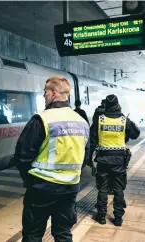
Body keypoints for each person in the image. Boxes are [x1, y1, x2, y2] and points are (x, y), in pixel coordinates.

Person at [13, 76, 90, 242]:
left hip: (41, 187)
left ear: (54, 94)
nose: (44, 96)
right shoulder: (82, 122)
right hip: (69, 188)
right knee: (63, 234)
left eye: (45, 92)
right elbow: (86, 157)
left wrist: (29, 180)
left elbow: (22, 155)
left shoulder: (41, 119)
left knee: (33, 234)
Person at [89, 94, 140, 226]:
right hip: (118, 160)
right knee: (118, 190)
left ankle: (101, 216)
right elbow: (135, 134)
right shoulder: (124, 120)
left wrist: (90, 157)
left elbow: (92, 138)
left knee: (103, 189)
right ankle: (117, 218)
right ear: (118, 105)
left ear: (105, 105)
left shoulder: (99, 120)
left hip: (103, 159)